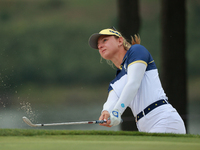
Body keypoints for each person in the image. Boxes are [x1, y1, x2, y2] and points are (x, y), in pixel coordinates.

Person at [88, 27, 186, 134]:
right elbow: (111, 101)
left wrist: (117, 111)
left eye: (104, 40)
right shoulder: (116, 81)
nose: (100, 46)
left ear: (120, 41)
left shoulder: (136, 50)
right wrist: (106, 112)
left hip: (163, 118)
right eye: (98, 45)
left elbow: (133, 83)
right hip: (144, 126)